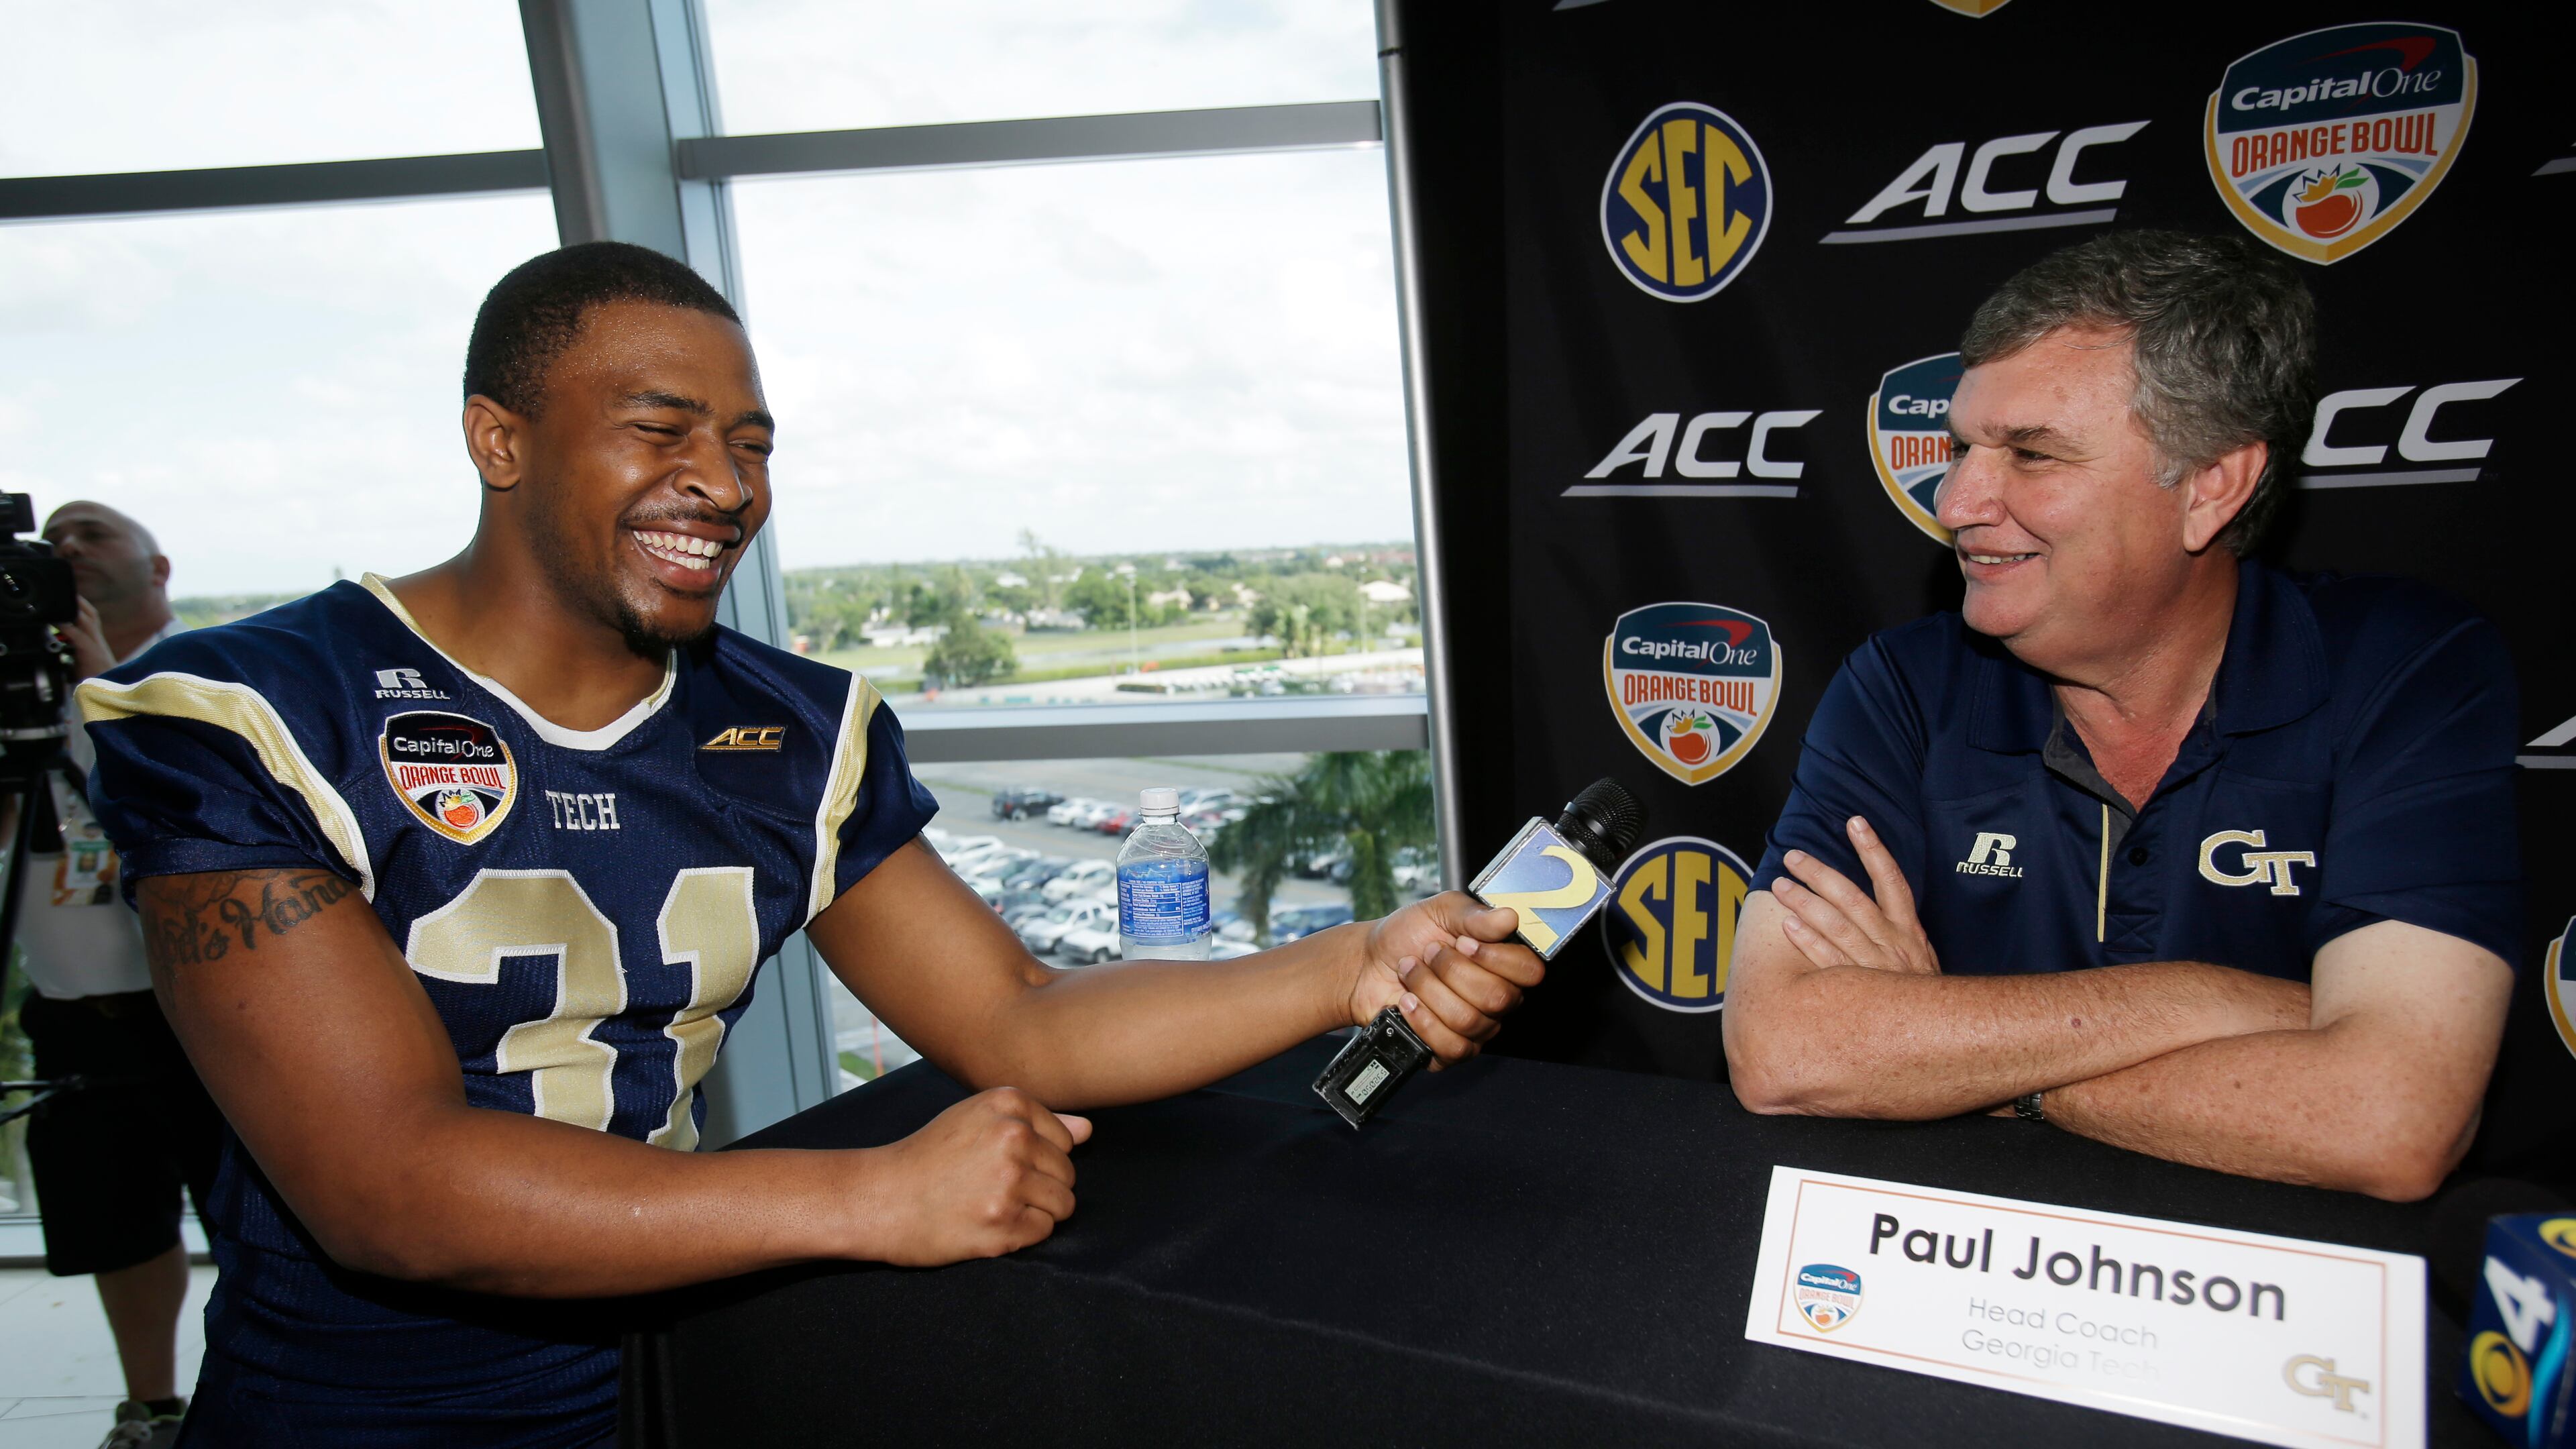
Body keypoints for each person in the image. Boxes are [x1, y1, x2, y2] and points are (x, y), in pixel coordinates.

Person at [76, 241, 1542, 1447]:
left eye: (749, 441)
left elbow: (1022, 1018)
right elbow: (387, 1187)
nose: (722, 480)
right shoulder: (257, 710)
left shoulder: (789, 727)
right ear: (498, 439)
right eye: (662, 429)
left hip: (695, 1369)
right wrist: (870, 1192)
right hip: (361, 1412)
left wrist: (1355, 960)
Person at [1722, 230, 2519, 1202]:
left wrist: (1966, 1063)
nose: (1957, 498)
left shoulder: (2404, 668)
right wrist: (2231, 1004)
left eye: (2031, 454)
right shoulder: (1904, 685)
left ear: (2210, 485)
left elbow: (2387, 1118)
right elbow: (1783, 1048)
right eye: (1963, 447)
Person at [7, 502, 213, 1449]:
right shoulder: (21, 694)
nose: (67, 548)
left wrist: (102, 680)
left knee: (256, 1215)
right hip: (78, 1007)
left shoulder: (211, 671)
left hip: (210, 1004)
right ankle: (151, 1406)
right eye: (53, 537)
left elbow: (189, 799)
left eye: (91, 531)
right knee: (118, 1223)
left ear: (158, 563)